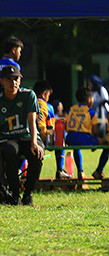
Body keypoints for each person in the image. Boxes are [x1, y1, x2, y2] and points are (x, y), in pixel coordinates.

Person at [0, 66, 44, 205]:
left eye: (16, 79)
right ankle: (14, 193)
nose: (13, 82)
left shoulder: (28, 95)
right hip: (9, 138)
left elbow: (32, 122)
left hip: (28, 137)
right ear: (2, 81)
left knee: (36, 153)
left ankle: (28, 193)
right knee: (10, 152)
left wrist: (34, 142)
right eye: (9, 79)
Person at [33, 80, 68, 179]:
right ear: (44, 94)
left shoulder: (28, 103)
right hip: (42, 139)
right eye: (48, 95)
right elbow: (50, 127)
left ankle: (20, 170)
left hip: (29, 136)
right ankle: (60, 170)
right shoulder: (48, 107)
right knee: (61, 140)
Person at [64, 86, 101, 179]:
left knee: (76, 148)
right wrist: (95, 142)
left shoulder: (71, 109)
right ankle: (99, 170)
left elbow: (66, 125)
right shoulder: (91, 111)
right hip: (82, 137)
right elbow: (96, 131)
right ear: (89, 100)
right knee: (105, 143)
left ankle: (80, 170)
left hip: (69, 137)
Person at [88, 75, 109, 141]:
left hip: (102, 110)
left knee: (103, 126)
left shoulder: (101, 89)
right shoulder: (91, 89)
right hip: (94, 110)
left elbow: (105, 99)